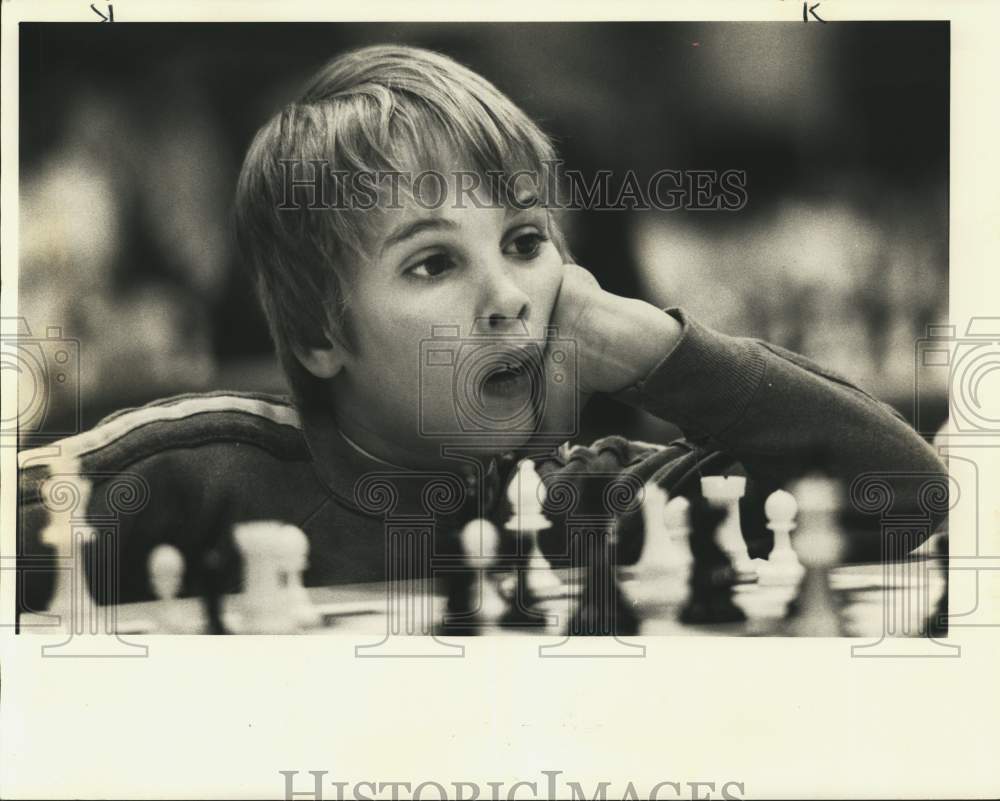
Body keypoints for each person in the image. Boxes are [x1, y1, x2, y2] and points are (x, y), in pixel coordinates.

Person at [17, 44, 946, 613]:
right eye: (433, 262)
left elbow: (902, 491)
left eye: (526, 240)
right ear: (316, 337)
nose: (507, 294)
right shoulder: (190, 471)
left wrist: (659, 349)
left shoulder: (586, 506)